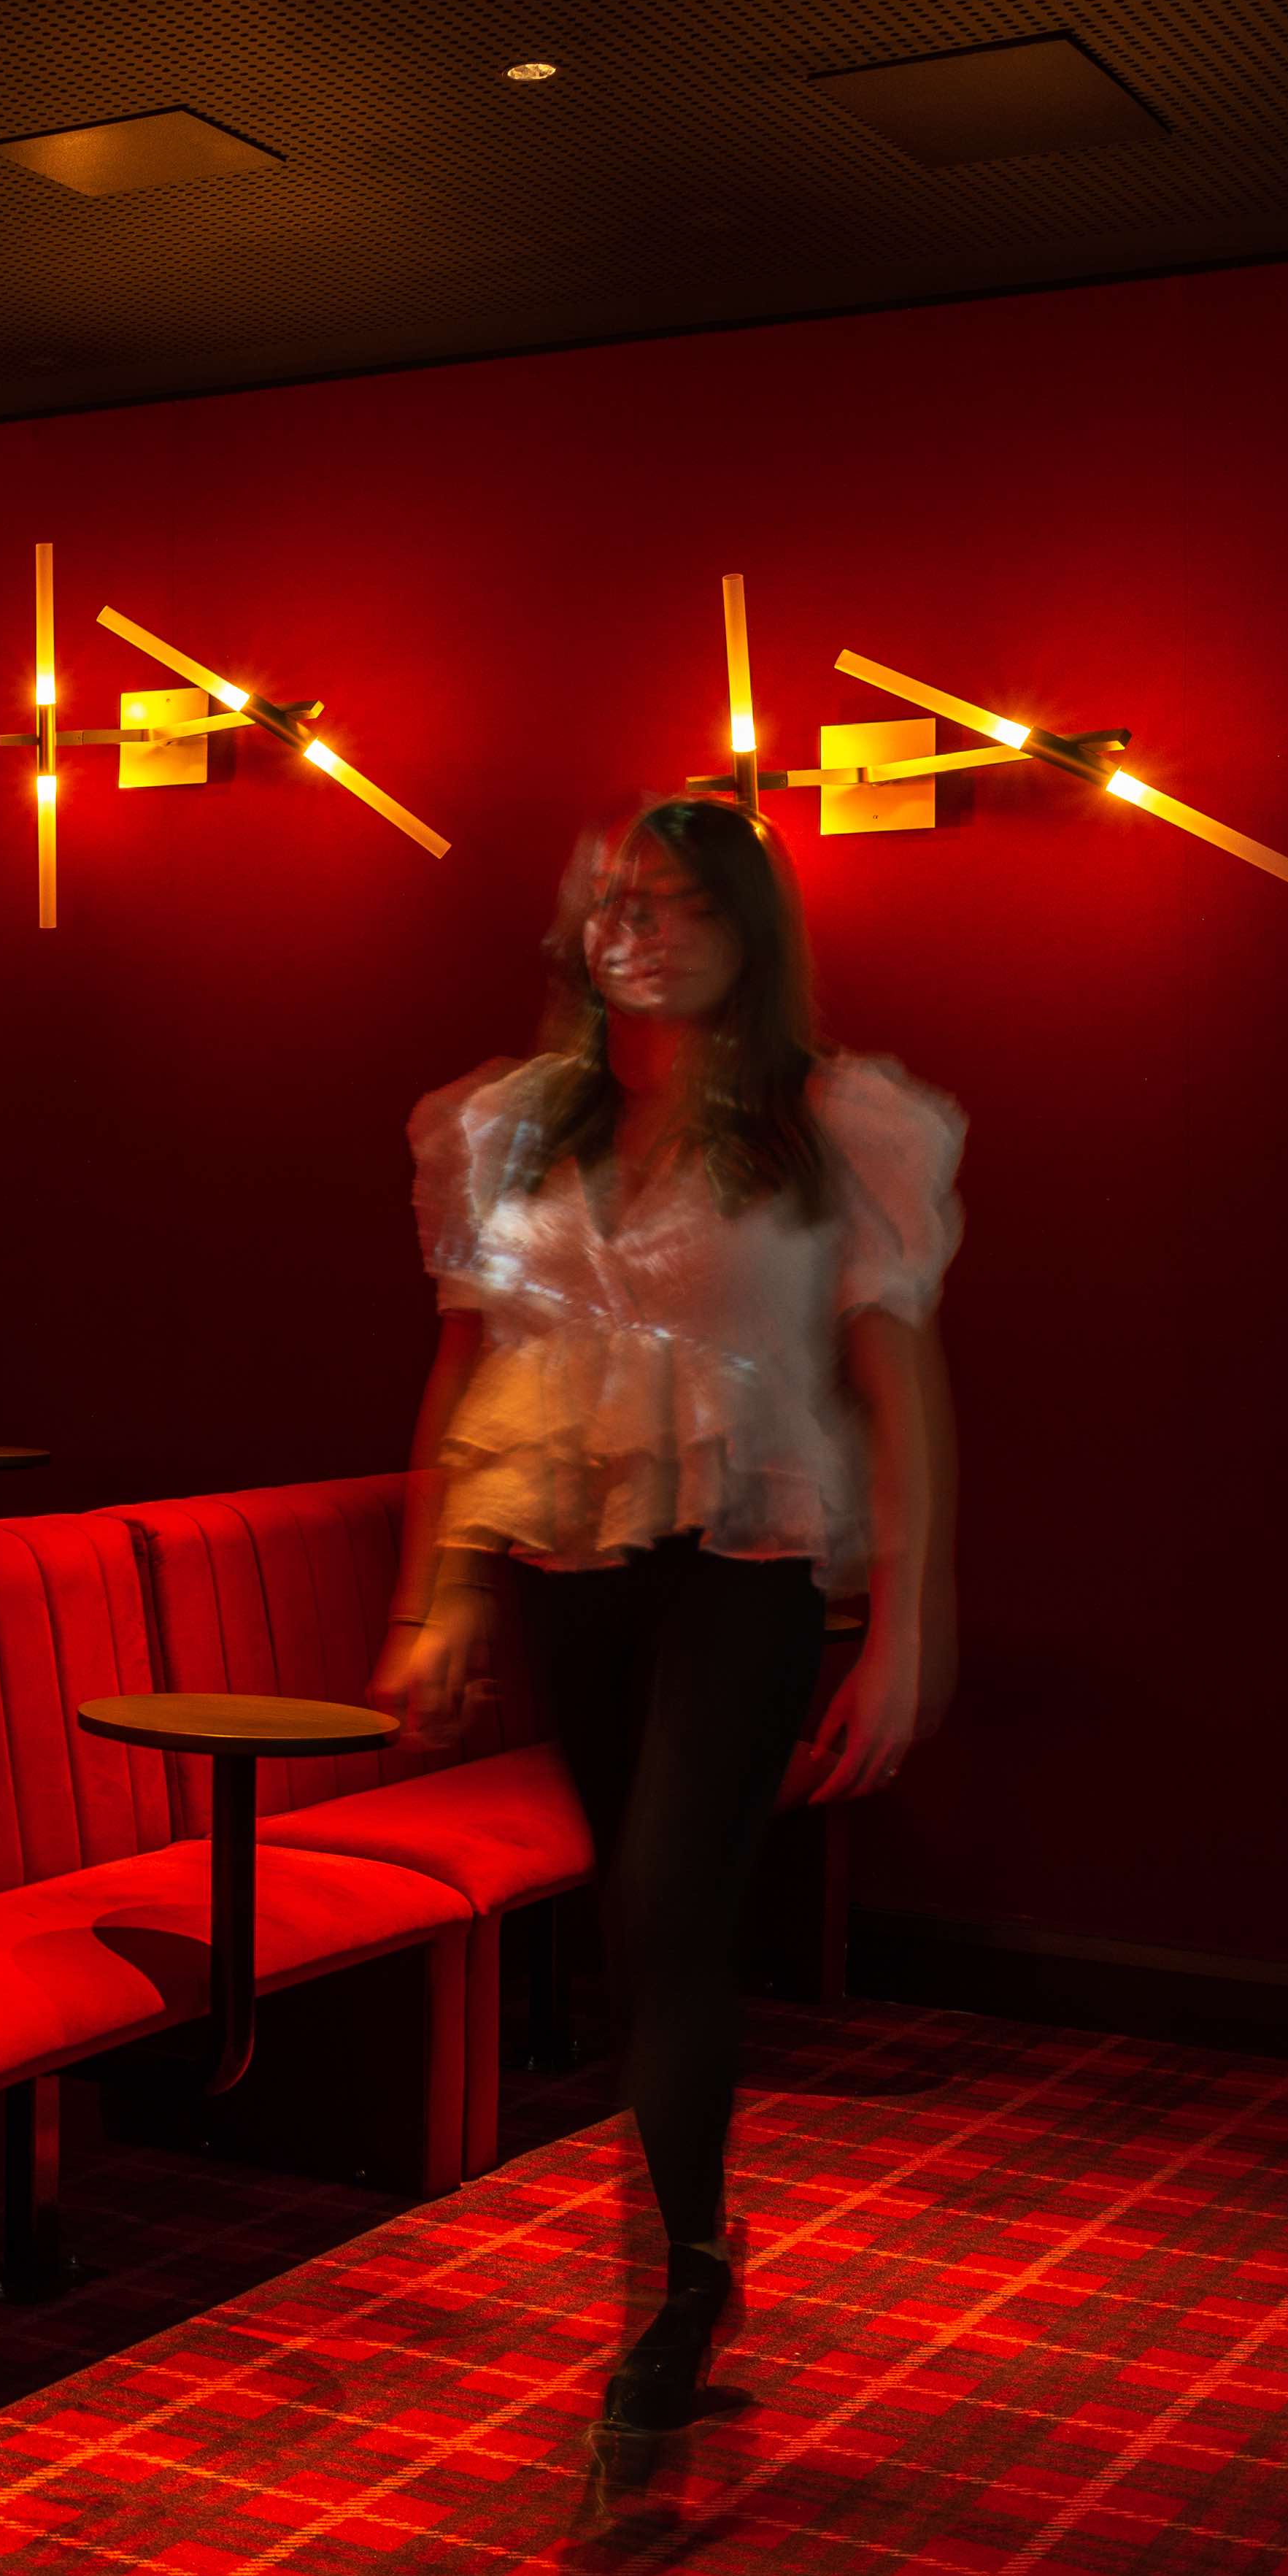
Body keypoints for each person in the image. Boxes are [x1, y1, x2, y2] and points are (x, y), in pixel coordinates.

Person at [372, 796, 960, 2473]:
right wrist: (434, 1595)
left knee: (660, 1899)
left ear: (745, 932)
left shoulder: (826, 1122)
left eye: (685, 904)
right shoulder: (508, 1126)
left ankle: (680, 2281)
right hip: (568, 1552)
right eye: (618, 898)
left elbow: (896, 1384)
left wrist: (903, 1621)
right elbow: (462, 1369)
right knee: (638, 1932)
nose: (640, 927)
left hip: (745, 1557)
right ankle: (700, 2245)